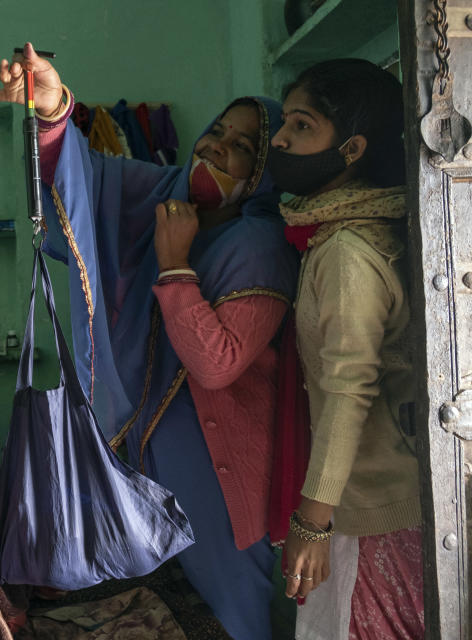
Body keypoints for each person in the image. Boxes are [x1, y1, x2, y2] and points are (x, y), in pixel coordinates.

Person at [0, 44, 298, 640]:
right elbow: (86, 179)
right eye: (216, 132)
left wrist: (175, 263)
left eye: (242, 147)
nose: (215, 148)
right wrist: (52, 114)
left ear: (265, 172)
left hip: (218, 471)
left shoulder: (258, 245)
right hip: (139, 454)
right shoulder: (161, 195)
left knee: (226, 615)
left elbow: (216, 364)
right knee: (149, 612)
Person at [269, 58, 423, 638]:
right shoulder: (358, 229)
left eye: (302, 125)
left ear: (352, 148)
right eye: (286, 122)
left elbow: (348, 390)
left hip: (372, 507)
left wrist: (313, 523)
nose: (280, 138)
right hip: (385, 497)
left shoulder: (346, 252)